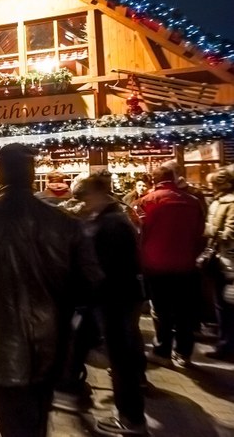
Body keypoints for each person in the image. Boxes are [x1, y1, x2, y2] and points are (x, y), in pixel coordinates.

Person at [0, 143, 102, 437]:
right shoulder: (65, 221)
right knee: (38, 421)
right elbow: (91, 284)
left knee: (14, 424)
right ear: (32, 174)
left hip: (0, 343)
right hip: (51, 343)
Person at [75, 175, 148, 436]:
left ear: (95, 194)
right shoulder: (115, 217)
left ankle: (131, 418)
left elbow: (103, 267)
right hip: (118, 296)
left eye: (85, 199)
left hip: (115, 298)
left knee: (121, 356)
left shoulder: (111, 223)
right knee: (117, 351)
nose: (84, 204)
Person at [135, 165, 205, 368]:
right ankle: (183, 353)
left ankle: (162, 350)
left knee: (161, 309)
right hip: (186, 264)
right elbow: (200, 231)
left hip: (155, 264)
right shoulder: (193, 201)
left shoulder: (145, 201)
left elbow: (138, 233)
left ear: (153, 180)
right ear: (175, 178)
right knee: (184, 310)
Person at [203, 169, 234, 360]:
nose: (210, 187)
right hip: (222, 258)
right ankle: (225, 341)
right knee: (222, 304)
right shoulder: (218, 201)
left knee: (226, 304)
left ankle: (227, 344)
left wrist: (212, 230)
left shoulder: (227, 203)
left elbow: (230, 232)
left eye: (213, 184)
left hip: (227, 259)